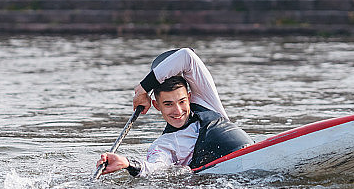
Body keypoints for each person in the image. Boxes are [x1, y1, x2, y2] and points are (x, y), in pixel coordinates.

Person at [96, 47, 252, 177]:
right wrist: (128, 164)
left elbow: (186, 56)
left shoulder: (207, 102)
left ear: (189, 97)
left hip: (253, 152)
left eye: (182, 102)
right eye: (168, 104)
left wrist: (143, 88)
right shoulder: (164, 145)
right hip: (230, 178)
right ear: (157, 106)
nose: (178, 111)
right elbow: (155, 169)